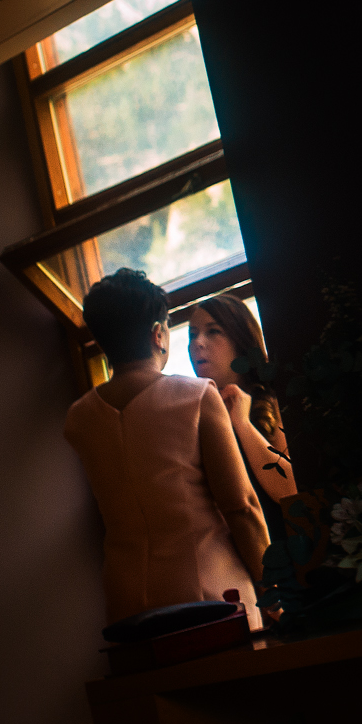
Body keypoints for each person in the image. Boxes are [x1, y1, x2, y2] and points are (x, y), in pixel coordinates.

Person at [65, 269, 270, 627]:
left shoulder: (79, 419)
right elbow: (241, 506)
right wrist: (275, 588)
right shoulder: (196, 396)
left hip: (128, 608)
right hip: (213, 597)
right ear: (158, 334)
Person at [185, 293, 297, 520]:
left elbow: (291, 491)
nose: (197, 342)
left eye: (213, 331)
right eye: (192, 334)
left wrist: (243, 424)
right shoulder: (191, 416)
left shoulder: (272, 402)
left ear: (240, 339)